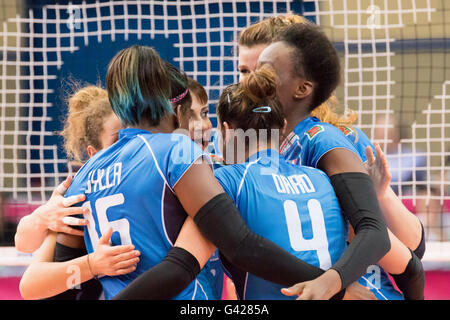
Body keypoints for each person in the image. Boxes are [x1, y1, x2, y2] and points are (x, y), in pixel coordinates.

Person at [64, 44, 374, 300]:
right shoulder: (178, 151)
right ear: (175, 111)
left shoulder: (84, 174)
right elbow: (236, 243)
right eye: (193, 113)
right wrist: (336, 286)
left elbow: (63, 282)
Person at [253, 22, 424, 300]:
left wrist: (333, 284)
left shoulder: (325, 141)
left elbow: (402, 254)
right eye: (246, 72)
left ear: (302, 87)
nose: (253, 81)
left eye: (265, 72)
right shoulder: (270, 147)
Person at [214, 64, 401, 300]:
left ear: (227, 132)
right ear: (283, 128)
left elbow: (244, 248)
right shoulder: (323, 180)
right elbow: (402, 257)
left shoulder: (228, 179)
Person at [17, 85, 139, 300]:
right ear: (93, 153)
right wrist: (42, 216)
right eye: (116, 141)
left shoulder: (148, 183)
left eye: (132, 138)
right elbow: (28, 276)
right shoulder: (77, 200)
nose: (125, 149)